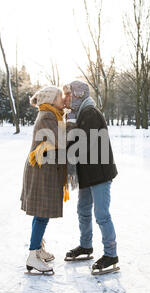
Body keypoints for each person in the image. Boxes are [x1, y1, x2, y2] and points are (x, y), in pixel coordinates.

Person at [63, 80, 120, 276]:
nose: (66, 99)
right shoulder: (79, 114)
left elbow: (83, 144)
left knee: (102, 214)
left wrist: (70, 128)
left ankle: (111, 254)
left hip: (100, 173)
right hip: (88, 172)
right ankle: (86, 246)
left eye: (69, 94)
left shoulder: (90, 113)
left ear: (79, 94)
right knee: (83, 210)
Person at [20, 86, 69, 276]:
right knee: (42, 213)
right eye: (60, 96)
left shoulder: (51, 114)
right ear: (51, 100)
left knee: (42, 213)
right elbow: (60, 140)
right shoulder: (48, 116)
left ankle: (37, 248)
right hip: (42, 169)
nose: (63, 99)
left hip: (44, 168)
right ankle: (33, 255)